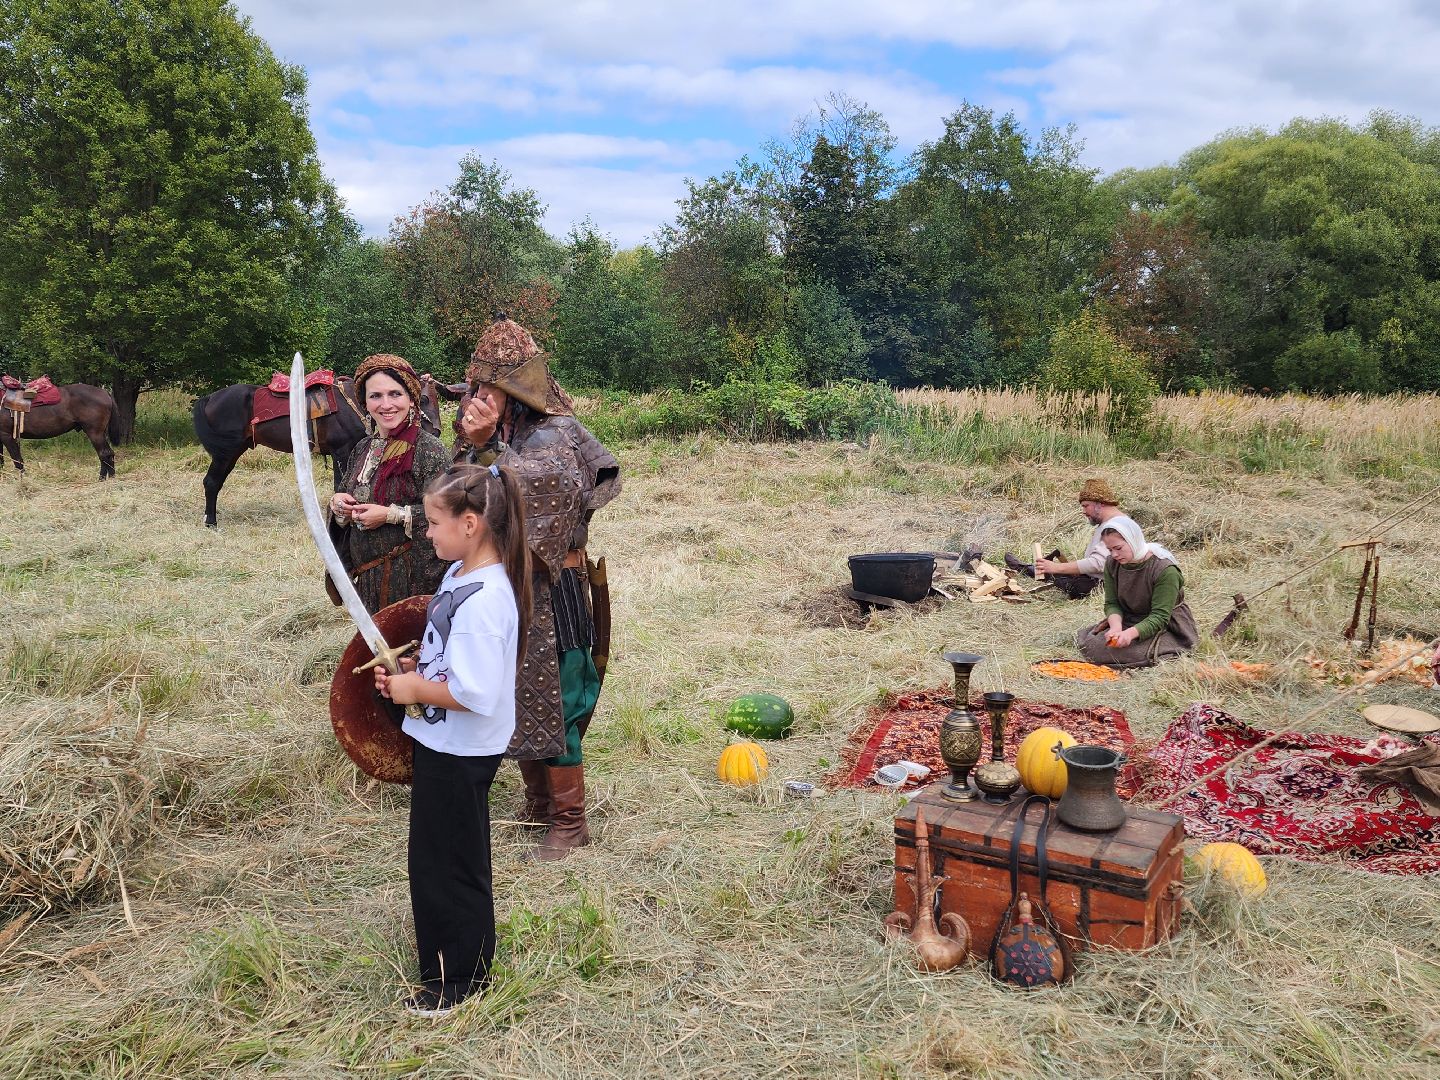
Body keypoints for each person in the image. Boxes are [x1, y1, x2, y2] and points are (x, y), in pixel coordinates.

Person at [455, 314, 621, 861]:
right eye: (475, 388)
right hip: (512, 589)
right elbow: (461, 495)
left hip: (554, 589)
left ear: (512, 393)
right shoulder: (508, 438)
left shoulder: (555, 432)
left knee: (561, 699)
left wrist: (486, 450)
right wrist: (479, 447)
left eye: (486, 389)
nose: (475, 397)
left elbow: (535, 494)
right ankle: (538, 802)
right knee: (516, 693)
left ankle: (570, 822)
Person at [374, 461, 532, 1015]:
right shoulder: (459, 574)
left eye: (435, 522)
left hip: (463, 750)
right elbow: (448, 655)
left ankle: (458, 981)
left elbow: (477, 692)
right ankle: (451, 963)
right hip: (442, 742)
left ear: (471, 524)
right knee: (437, 859)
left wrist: (415, 686)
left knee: (450, 866)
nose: (427, 531)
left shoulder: (486, 598)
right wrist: (410, 671)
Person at [328, 355, 450, 612]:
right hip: (368, 580)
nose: (386, 405)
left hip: (411, 582)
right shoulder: (363, 448)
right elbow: (352, 495)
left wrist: (390, 515)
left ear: (411, 398)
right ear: (365, 402)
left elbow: (448, 515)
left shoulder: (430, 450)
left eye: (395, 394)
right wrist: (340, 508)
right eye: (375, 396)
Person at [1076, 517, 1199, 668]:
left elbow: (1160, 617)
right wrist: (1115, 628)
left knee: (1130, 654)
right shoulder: (1112, 564)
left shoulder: (1165, 571)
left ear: (1133, 540)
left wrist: (1128, 635)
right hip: (1129, 618)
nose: (1114, 554)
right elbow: (1112, 603)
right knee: (1096, 646)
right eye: (1110, 550)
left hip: (1164, 625)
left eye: (1118, 548)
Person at [1027, 479, 1138, 600]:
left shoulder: (1115, 526)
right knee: (1061, 575)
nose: (1083, 511)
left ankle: (1031, 569)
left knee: (1070, 584)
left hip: (1108, 584)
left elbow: (1099, 564)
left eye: (1086, 506)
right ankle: (1026, 568)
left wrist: (1056, 567)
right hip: (1102, 579)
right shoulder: (1112, 522)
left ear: (1100, 504)